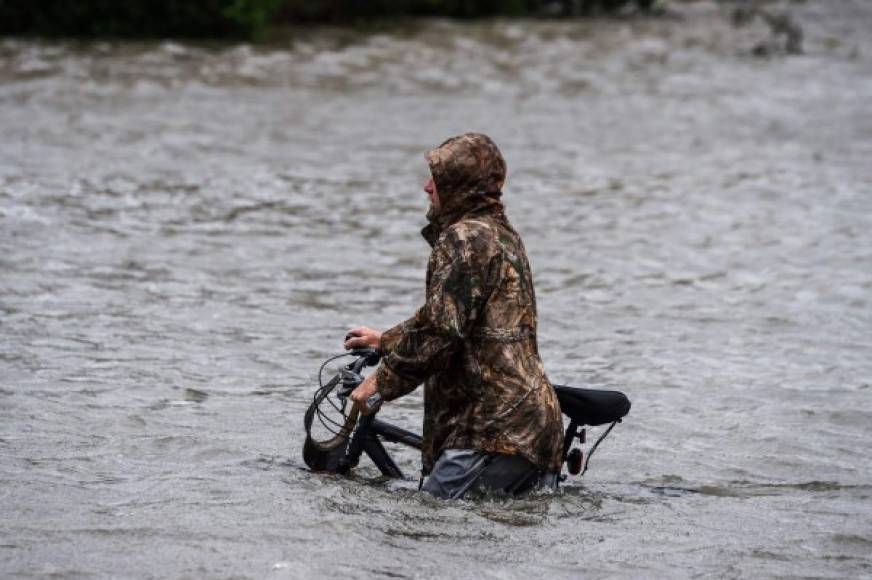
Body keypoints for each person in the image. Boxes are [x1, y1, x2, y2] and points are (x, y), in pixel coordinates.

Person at [345, 133, 563, 499]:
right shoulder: (499, 234)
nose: (427, 187)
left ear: (460, 185)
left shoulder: (463, 239)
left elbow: (442, 331)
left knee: (425, 527)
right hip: (526, 428)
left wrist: (382, 382)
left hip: (489, 432)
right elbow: (454, 315)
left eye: (438, 178)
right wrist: (387, 340)